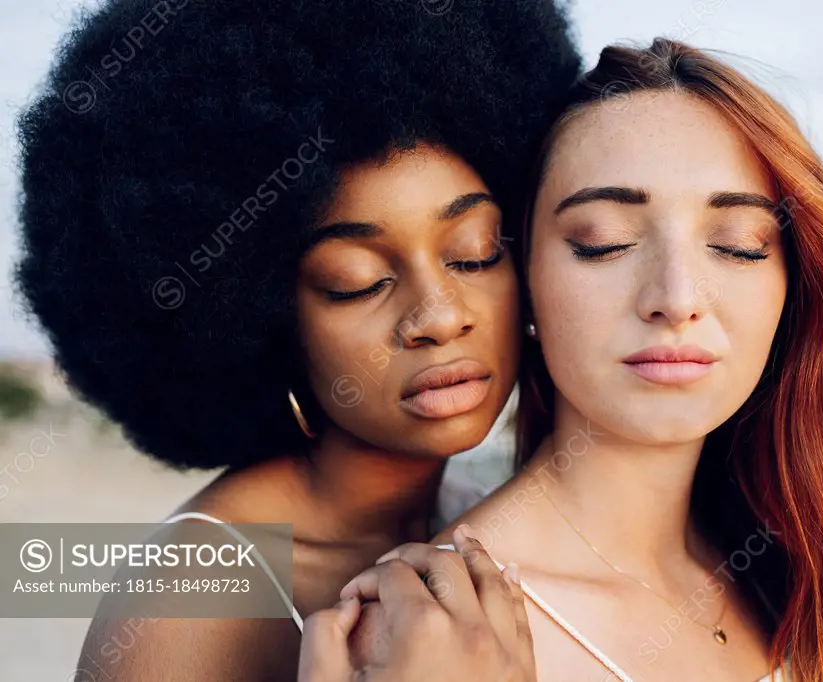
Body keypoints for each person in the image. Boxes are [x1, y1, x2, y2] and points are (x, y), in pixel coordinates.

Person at [314, 38, 823, 681]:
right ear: (524, 280)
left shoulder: (801, 564)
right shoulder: (427, 629)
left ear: (791, 286)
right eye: (603, 243)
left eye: (739, 245)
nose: (677, 298)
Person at [15, 0, 580, 680]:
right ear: (255, 316)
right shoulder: (191, 595)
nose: (437, 315)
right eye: (356, 281)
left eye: (473, 253)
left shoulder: (484, 519)